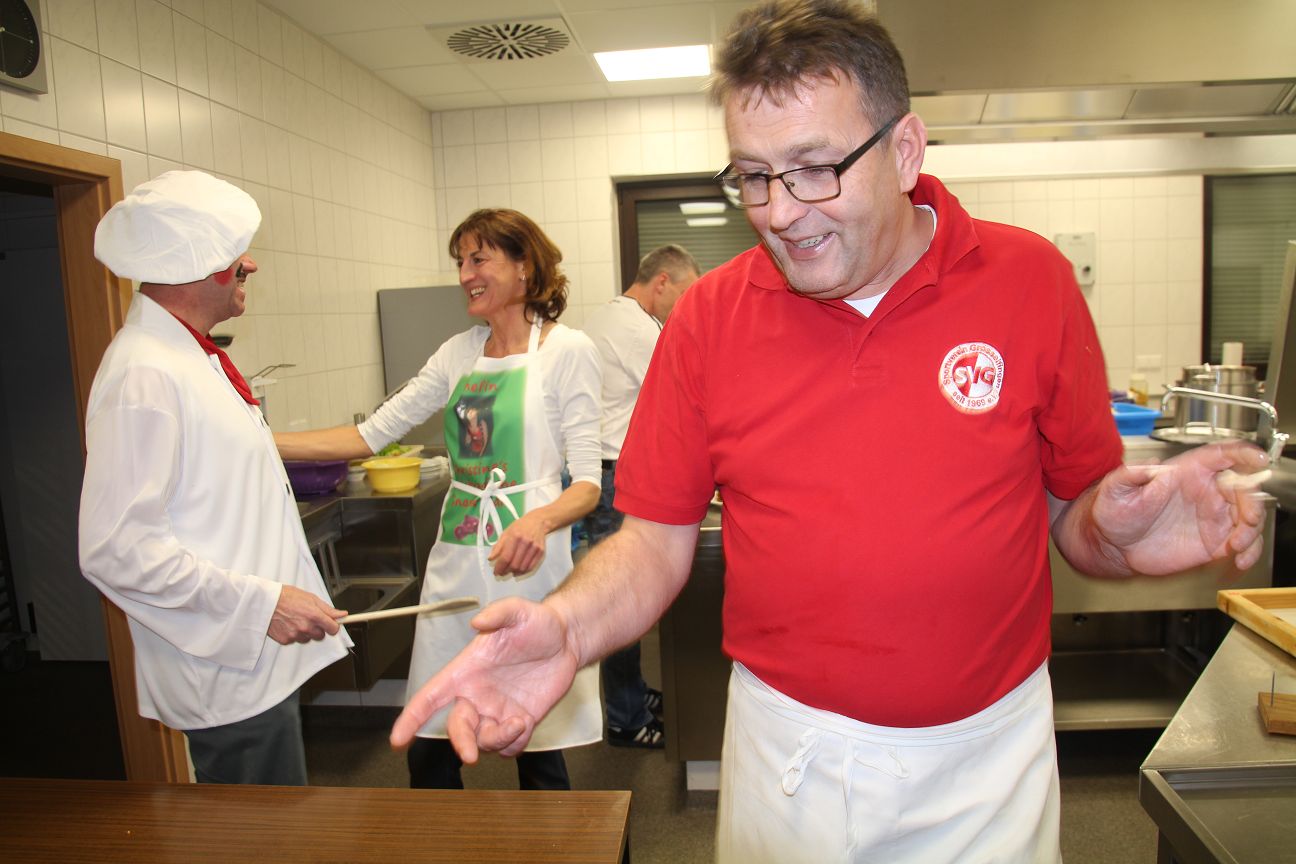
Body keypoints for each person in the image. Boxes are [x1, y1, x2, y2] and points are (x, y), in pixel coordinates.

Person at [388, 2, 1270, 861]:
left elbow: (1075, 516)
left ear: (905, 149)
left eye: (814, 168)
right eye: (753, 175)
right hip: (788, 758)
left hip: (987, 761)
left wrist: (1117, 534)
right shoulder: (709, 319)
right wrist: (568, 626)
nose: (778, 211)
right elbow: (653, 543)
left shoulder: (1028, 281)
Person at [277, 208, 603, 791]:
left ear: (524, 266)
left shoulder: (567, 350)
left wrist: (538, 521)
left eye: (479, 259)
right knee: (430, 735)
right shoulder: (458, 353)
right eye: (460, 263)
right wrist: (260, 439)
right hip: (456, 558)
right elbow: (369, 435)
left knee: (533, 738)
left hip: (528, 565)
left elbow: (587, 481)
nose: (465, 275)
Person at [78, 170, 351, 786]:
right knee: (262, 832)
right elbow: (116, 550)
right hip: (225, 666)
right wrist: (261, 604)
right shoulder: (144, 374)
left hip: (252, 656)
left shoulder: (189, 357)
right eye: (237, 256)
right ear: (198, 267)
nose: (249, 264)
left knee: (279, 826)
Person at [581, 244, 701, 748]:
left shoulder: (605, 317)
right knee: (622, 597)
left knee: (619, 593)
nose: (685, 305)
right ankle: (625, 719)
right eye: (685, 293)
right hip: (614, 476)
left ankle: (630, 693)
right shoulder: (637, 331)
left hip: (603, 472)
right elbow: (686, 393)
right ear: (662, 282)